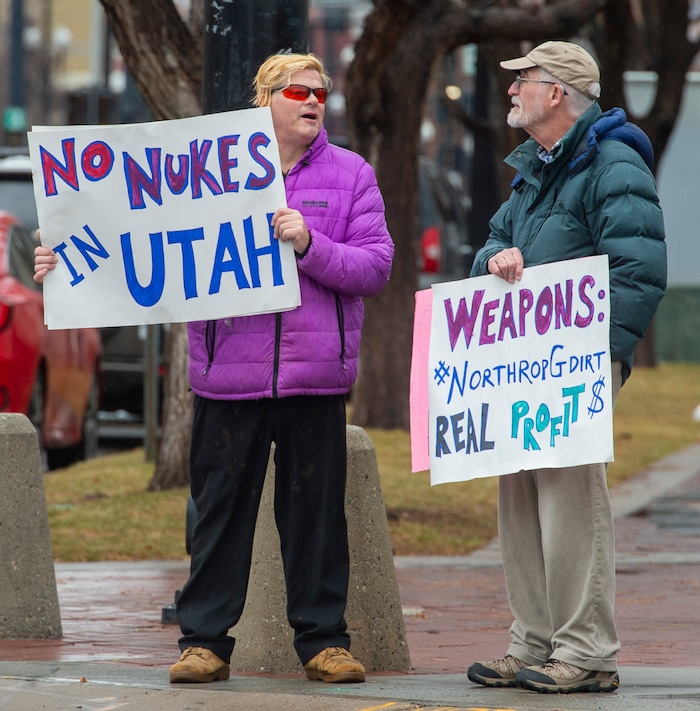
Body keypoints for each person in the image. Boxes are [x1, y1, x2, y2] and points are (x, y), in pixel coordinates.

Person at [34, 52, 394, 685]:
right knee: (219, 514)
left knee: (315, 516)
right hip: (230, 374)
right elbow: (130, 234)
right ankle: (204, 643)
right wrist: (66, 265)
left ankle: (323, 642)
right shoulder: (210, 173)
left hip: (315, 375)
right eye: (296, 91)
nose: (312, 101)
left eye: (319, 91)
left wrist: (310, 243)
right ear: (266, 102)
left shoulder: (352, 175)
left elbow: (374, 267)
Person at [465, 41, 666, 694]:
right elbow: (494, 241)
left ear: (558, 94)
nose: (512, 89)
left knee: (572, 502)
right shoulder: (537, 171)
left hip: (572, 367)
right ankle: (534, 640)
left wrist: (600, 359)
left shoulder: (612, 161)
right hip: (525, 366)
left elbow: (638, 266)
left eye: (523, 80)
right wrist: (495, 261)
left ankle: (586, 650)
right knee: (521, 500)